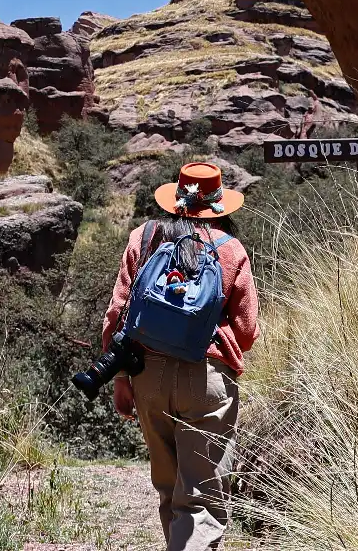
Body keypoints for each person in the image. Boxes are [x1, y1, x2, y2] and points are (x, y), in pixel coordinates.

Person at [100, 159, 259, 551]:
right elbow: (246, 331)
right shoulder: (230, 249)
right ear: (219, 205)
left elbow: (117, 315)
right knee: (201, 499)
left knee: (170, 491)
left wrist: (121, 379)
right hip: (206, 379)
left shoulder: (143, 237)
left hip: (147, 377)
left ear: (175, 199)